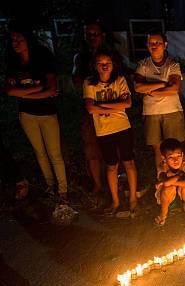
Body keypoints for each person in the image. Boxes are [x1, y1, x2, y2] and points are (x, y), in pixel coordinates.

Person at [5, 24, 68, 201]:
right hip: (27, 114)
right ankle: (50, 186)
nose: (15, 43)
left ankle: (63, 190)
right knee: (39, 152)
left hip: (47, 113)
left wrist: (25, 92)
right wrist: (38, 89)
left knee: (54, 153)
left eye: (19, 39)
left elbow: (51, 89)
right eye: (13, 40)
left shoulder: (42, 58)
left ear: (28, 40)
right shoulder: (13, 63)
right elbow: (9, 91)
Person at [84, 51, 137, 217]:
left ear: (113, 65)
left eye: (108, 62)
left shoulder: (120, 80)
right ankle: (115, 201)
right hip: (104, 130)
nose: (105, 65)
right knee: (111, 166)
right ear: (95, 66)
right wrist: (115, 105)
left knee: (128, 162)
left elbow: (127, 103)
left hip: (122, 127)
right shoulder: (90, 83)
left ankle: (133, 200)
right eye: (101, 62)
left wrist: (101, 105)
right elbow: (90, 108)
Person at [134, 30, 185, 172]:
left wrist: (150, 90)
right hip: (151, 112)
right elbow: (138, 87)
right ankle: (162, 179)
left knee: (175, 149)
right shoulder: (143, 65)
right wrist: (162, 84)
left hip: (172, 111)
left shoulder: (172, 65)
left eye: (158, 43)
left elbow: (174, 88)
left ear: (165, 45)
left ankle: (181, 180)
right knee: (158, 149)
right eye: (151, 43)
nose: (154, 45)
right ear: (147, 45)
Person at [72, 21, 110, 196]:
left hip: (110, 109)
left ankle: (113, 182)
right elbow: (77, 82)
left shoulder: (111, 56)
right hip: (89, 110)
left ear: (102, 35)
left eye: (96, 34)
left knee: (111, 148)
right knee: (91, 147)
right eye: (89, 34)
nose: (93, 37)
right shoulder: (81, 58)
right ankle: (97, 184)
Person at [154, 138, 185, 225]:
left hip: (183, 194)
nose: (176, 160)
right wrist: (179, 176)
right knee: (168, 188)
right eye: (171, 157)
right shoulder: (163, 167)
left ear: (182, 155)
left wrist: (172, 181)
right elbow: (165, 183)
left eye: (178, 156)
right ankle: (163, 212)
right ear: (164, 158)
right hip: (168, 197)